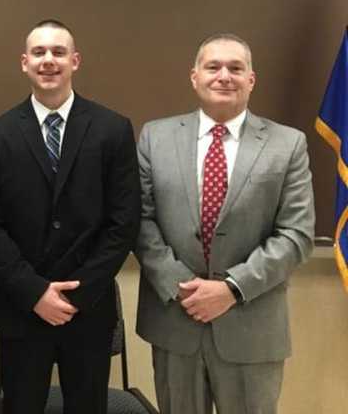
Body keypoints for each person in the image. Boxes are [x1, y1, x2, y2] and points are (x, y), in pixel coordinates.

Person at [135, 33, 315, 414]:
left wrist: (232, 288)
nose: (224, 76)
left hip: (252, 326)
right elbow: (140, 221)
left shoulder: (288, 144)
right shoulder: (155, 137)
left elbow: (296, 235)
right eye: (213, 66)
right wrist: (182, 286)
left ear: (251, 80)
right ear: (194, 76)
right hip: (175, 322)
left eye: (236, 68)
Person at [0, 19, 140, 414]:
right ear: (24, 63)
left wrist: (76, 295)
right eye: (39, 53)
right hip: (22, 310)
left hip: (89, 311)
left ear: (75, 61)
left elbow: (124, 222)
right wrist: (35, 292)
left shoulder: (112, 130)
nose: (49, 60)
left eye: (58, 52)